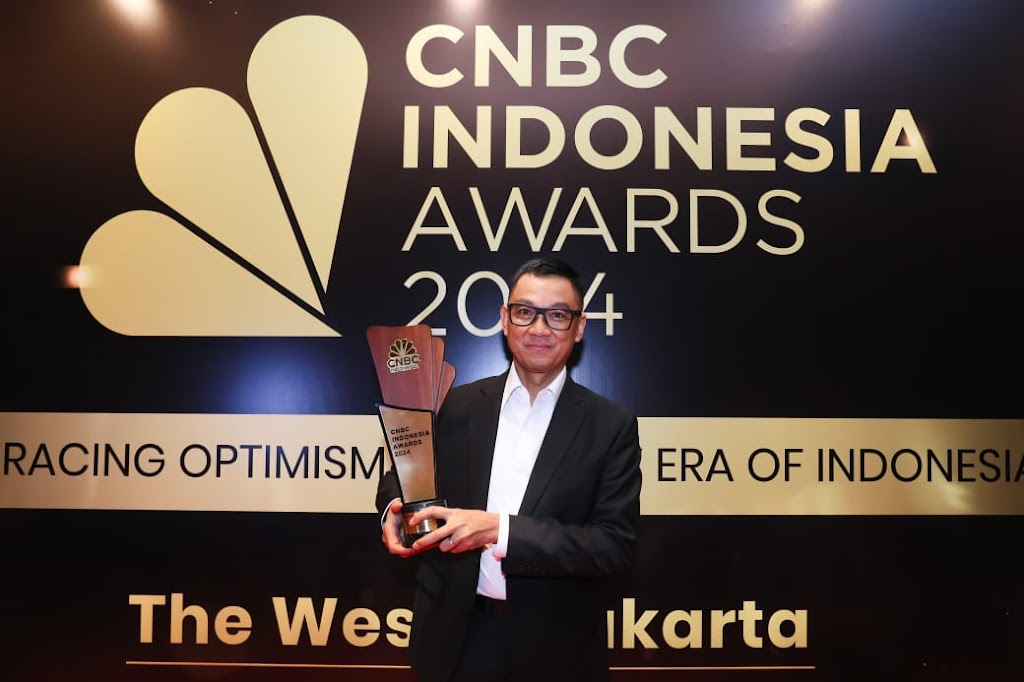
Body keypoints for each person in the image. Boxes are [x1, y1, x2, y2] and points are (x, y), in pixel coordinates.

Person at [375, 257, 642, 682]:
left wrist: (500, 531)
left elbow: (612, 546)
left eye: (557, 315)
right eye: (525, 312)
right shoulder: (454, 404)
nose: (539, 329)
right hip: (453, 639)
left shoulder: (611, 426)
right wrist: (393, 509)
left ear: (579, 327)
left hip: (557, 647)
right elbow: (404, 473)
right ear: (504, 319)